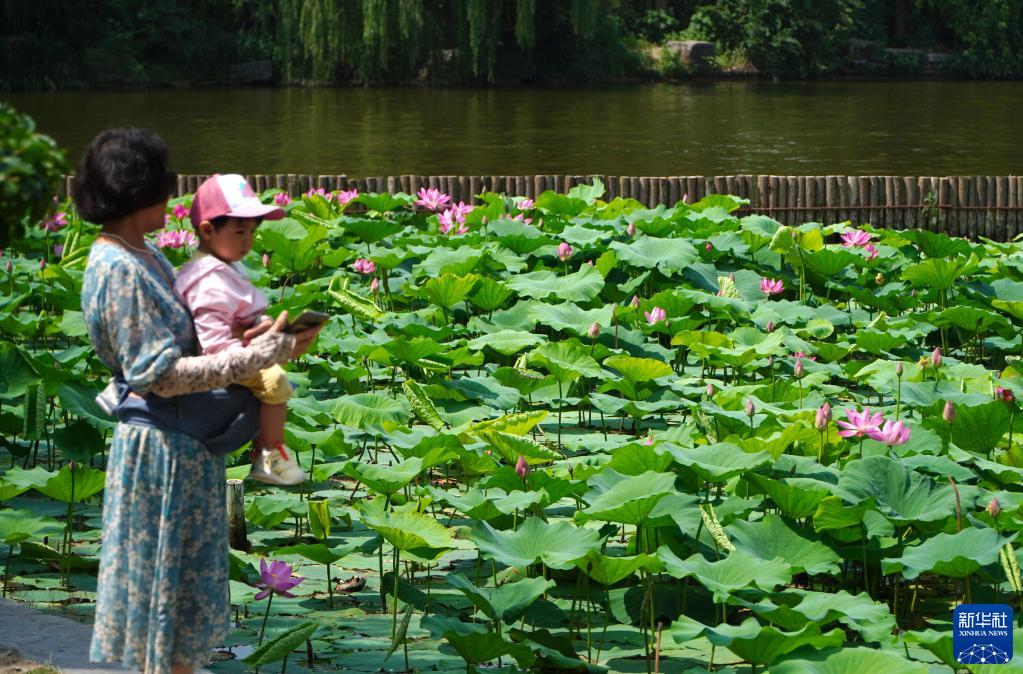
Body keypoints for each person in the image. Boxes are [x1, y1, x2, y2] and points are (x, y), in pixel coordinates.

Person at [74, 128, 322, 674]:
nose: (172, 196)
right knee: (163, 600)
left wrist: (261, 344)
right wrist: (256, 358)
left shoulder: (149, 257)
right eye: (164, 184)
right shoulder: (117, 268)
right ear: (136, 191)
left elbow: (201, 345)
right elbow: (156, 375)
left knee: (184, 605)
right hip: (158, 450)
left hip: (186, 447)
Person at [174, 174, 305, 486]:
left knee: (275, 364)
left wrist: (258, 329)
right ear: (207, 230)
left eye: (251, 231)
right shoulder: (207, 281)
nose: (247, 240)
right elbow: (213, 346)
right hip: (208, 367)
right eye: (239, 231)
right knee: (275, 380)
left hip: (233, 352)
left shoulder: (224, 267)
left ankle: (263, 452)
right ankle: (270, 457)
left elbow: (234, 320)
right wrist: (256, 352)